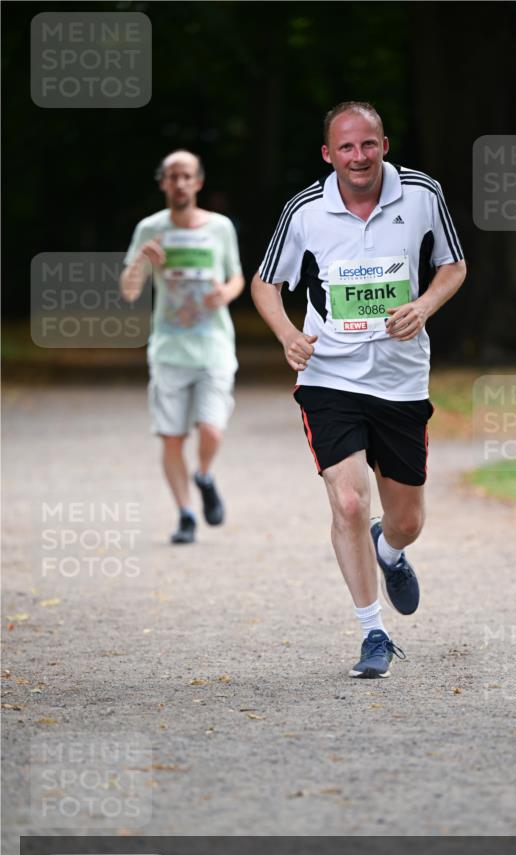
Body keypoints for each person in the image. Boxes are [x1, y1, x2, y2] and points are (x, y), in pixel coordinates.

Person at [251, 101, 466, 678]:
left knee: (407, 523)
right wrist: (287, 334)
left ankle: (389, 549)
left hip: (400, 380)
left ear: (385, 145)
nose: (358, 156)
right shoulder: (305, 210)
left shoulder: (422, 194)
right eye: (345, 147)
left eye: (368, 144)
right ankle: (373, 631)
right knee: (347, 500)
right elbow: (266, 283)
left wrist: (423, 306)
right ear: (328, 154)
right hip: (330, 376)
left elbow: (454, 266)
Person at [120, 150, 244, 542]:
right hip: (170, 348)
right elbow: (128, 291)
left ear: (198, 182)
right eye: (172, 176)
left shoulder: (220, 227)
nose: (180, 183)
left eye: (187, 176)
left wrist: (225, 293)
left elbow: (237, 276)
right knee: (172, 436)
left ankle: (204, 475)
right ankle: (186, 515)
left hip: (214, 345)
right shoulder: (149, 229)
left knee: (212, 428)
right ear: (163, 183)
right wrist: (141, 260)